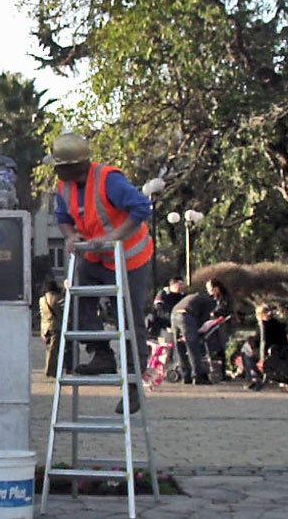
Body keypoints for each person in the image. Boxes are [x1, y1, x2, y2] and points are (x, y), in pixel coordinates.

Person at [46, 131, 153, 414]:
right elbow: (63, 218)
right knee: (77, 299)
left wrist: (113, 238)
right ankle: (101, 353)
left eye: (58, 166)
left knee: (128, 317)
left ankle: (133, 384)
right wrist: (71, 236)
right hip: (96, 256)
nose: (55, 171)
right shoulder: (64, 187)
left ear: (73, 166)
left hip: (129, 257)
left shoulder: (108, 180)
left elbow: (142, 207)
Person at [170, 278, 231, 384]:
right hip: (186, 315)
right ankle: (198, 376)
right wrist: (197, 332)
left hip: (174, 314)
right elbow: (203, 319)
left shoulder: (196, 297)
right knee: (193, 347)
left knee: (180, 347)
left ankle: (186, 375)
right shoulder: (210, 301)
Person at [39, 279, 64, 378]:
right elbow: (63, 311)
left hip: (44, 327)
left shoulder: (42, 299)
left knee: (49, 348)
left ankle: (49, 368)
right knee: (54, 350)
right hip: (55, 326)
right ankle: (50, 370)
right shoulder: (58, 298)